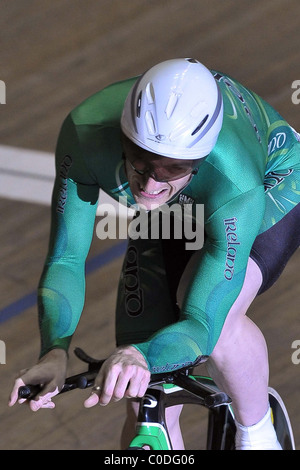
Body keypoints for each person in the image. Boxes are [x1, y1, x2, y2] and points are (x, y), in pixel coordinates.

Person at [9, 58, 300, 450]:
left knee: (216, 321)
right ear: (123, 136)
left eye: (170, 169)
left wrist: (141, 355)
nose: (148, 185)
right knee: (140, 394)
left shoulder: (235, 179)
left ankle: (259, 432)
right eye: (140, 161)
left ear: (199, 159)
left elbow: (201, 323)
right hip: (179, 207)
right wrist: (53, 351)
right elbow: (66, 259)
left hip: (274, 185)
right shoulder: (85, 134)